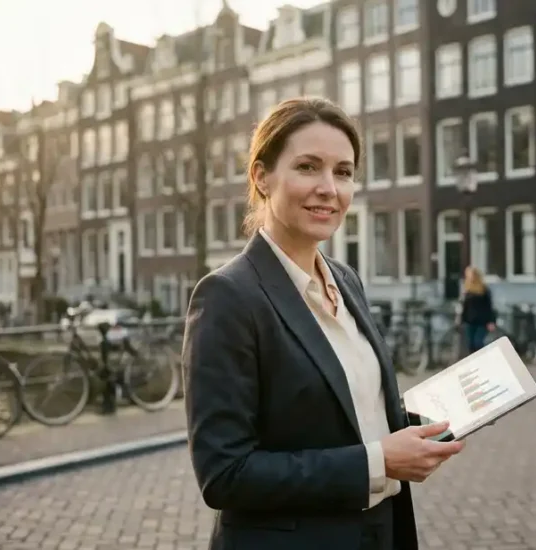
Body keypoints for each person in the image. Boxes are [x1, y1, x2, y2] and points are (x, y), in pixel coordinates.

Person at [183, 98, 465, 550]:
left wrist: (432, 422)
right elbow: (225, 475)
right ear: (261, 177)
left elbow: (347, 413)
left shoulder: (346, 281)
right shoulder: (227, 297)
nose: (329, 188)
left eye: (344, 172)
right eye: (308, 167)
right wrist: (379, 462)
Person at [459, 266, 496, 354]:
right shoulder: (467, 289)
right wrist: (462, 320)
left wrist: (491, 321)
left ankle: (483, 360)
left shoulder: (484, 290)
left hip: (482, 321)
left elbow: (489, 306)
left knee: (478, 342)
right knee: (471, 344)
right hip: (470, 321)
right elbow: (465, 307)